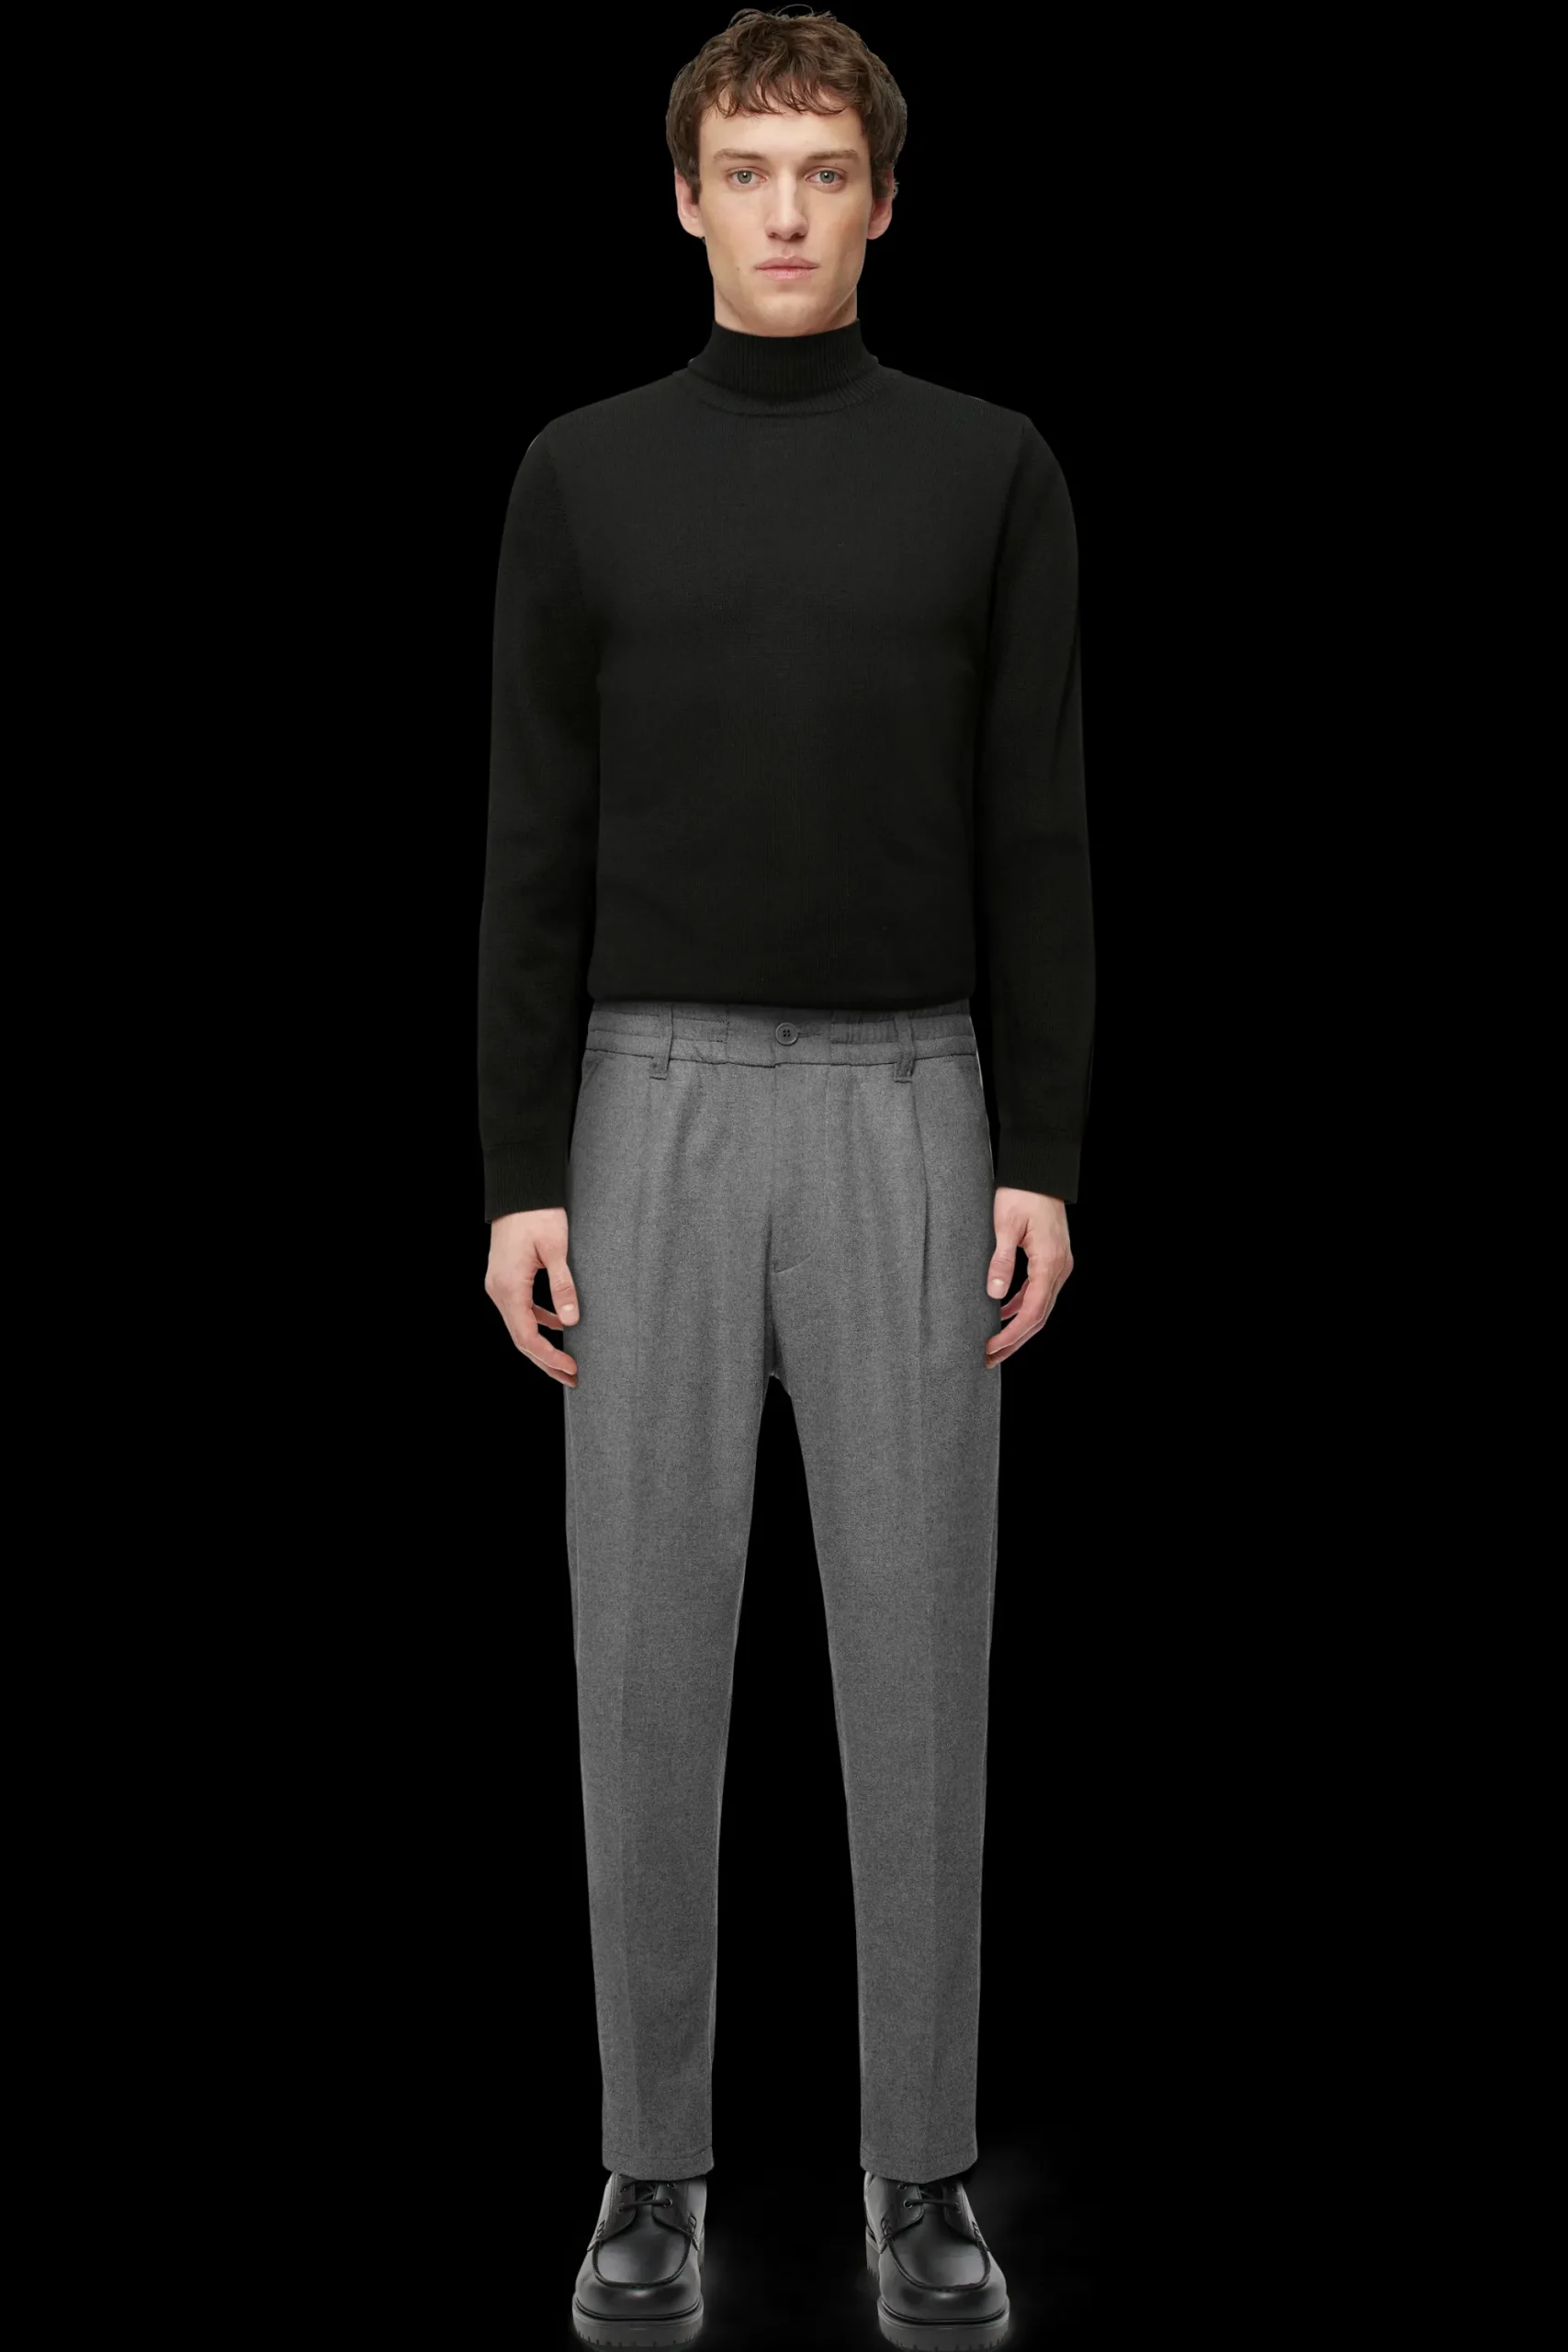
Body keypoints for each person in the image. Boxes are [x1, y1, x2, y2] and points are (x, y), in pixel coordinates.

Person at [476, 9, 1094, 2344]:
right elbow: (531, 836)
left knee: (919, 1652)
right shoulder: (581, 475)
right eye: (745, 169)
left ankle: (917, 2171)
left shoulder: (990, 469)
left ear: (884, 202)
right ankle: (648, 2164)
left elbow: (1038, 828)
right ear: (682, 198)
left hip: (912, 1096)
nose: (784, 211)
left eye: (824, 171)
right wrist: (517, 1161)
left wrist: (1040, 1146)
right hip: (643, 1099)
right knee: (642, 1649)